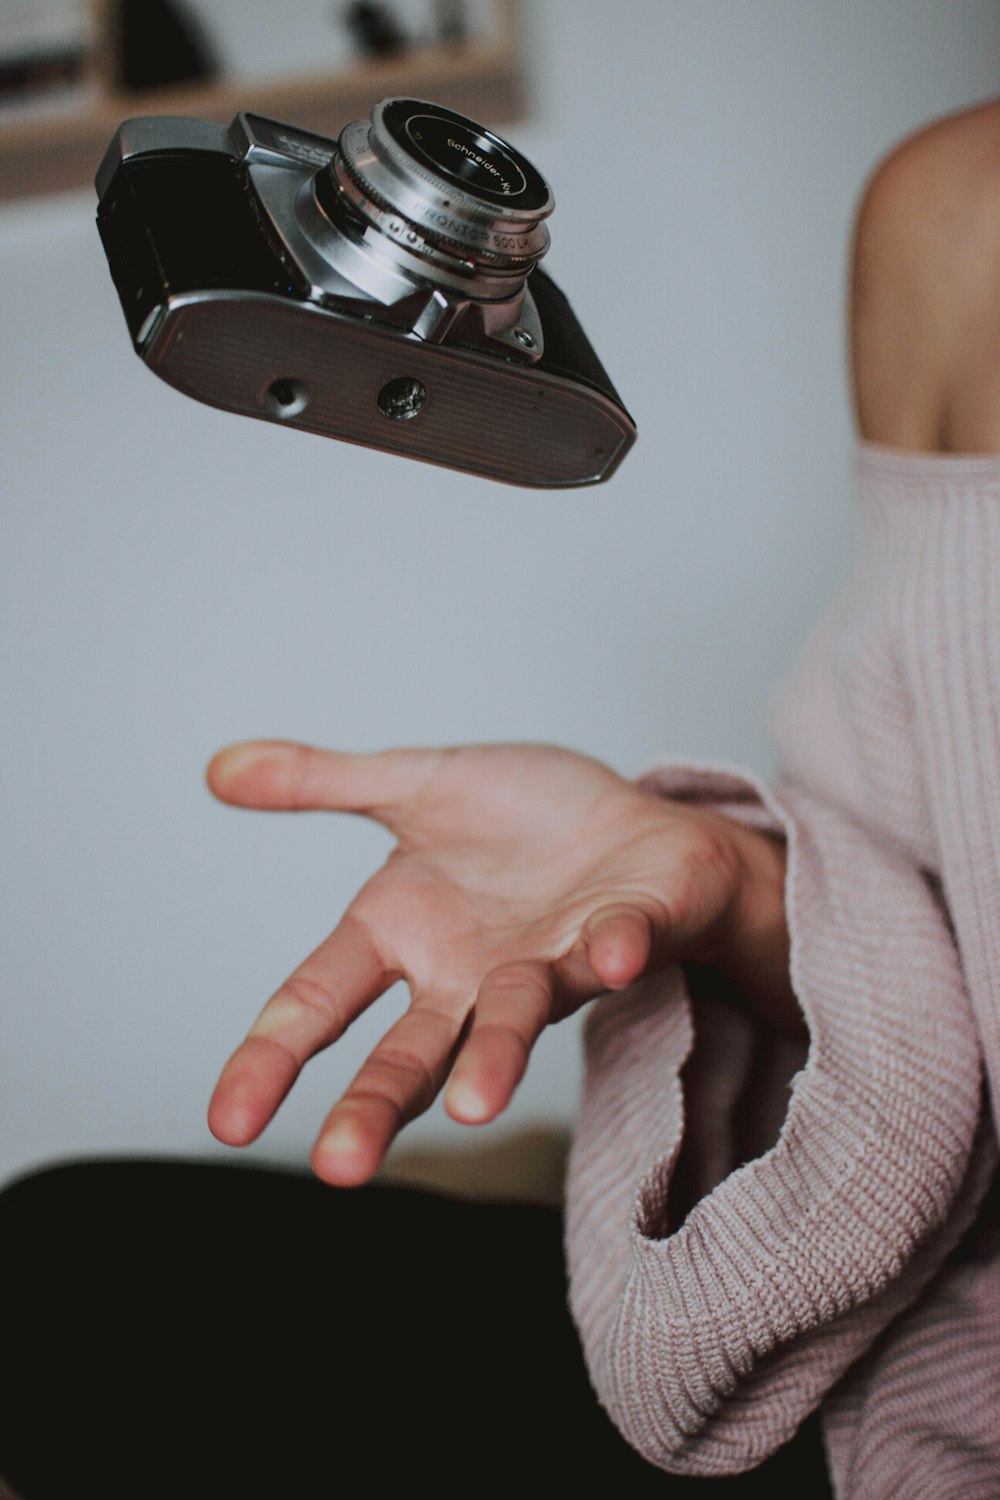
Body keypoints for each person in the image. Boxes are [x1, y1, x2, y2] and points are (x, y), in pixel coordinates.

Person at [2, 99, 998, 1498]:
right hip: (898, 1341)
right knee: (68, 1262)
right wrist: (737, 884)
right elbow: (939, 895)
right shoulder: (957, 216)